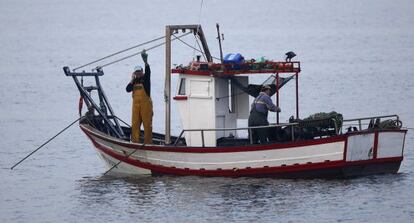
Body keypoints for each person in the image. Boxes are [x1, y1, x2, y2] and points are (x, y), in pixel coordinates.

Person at [126, 50, 153, 144]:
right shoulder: (134, 82)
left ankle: (148, 143)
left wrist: (146, 62)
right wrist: (131, 79)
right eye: (136, 72)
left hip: (146, 107)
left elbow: (148, 72)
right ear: (134, 73)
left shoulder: (146, 80)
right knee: (135, 124)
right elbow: (127, 89)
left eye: (139, 71)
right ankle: (135, 142)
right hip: (136, 107)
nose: (138, 73)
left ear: (142, 71)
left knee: (147, 125)